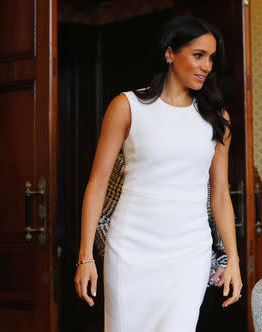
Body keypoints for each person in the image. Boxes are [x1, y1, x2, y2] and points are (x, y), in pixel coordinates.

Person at [74, 16, 243, 332]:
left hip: (189, 252)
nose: (206, 66)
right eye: (198, 55)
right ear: (169, 53)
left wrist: (233, 258)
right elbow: (97, 183)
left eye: (211, 58)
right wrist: (86, 257)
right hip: (129, 250)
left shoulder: (217, 118)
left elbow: (220, 193)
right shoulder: (127, 106)